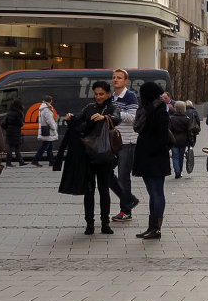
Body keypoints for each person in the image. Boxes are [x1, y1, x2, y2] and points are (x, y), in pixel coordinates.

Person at [60, 81, 119, 235]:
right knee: (89, 190)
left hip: (105, 155)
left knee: (104, 190)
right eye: (96, 94)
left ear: (107, 94)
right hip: (88, 155)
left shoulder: (112, 106)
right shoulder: (89, 107)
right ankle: (90, 224)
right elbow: (79, 121)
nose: (98, 97)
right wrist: (70, 118)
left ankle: (105, 223)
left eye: (101, 94)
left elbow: (116, 117)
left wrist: (104, 117)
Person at [132, 80, 170, 240]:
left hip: (155, 158)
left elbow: (162, 138)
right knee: (152, 193)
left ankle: (156, 228)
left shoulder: (160, 111)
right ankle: (151, 226)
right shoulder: (146, 111)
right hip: (146, 158)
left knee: (156, 193)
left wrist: (151, 151)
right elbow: (138, 127)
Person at [108, 69, 140, 223]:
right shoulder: (112, 97)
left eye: (119, 78)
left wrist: (115, 113)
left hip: (127, 141)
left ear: (125, 81)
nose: (115, 80)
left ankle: (125, 211)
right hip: (113, 141)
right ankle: (130, 200)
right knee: (106, 173)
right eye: (114, 77)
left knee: (123, 177)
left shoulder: (130, 96)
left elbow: (133, 118)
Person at [29, 95, 58, 167]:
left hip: (46, 129)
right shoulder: (46, 109)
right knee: (45, 146)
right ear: (50, 101)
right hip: (48, 130)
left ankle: (51, 161)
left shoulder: (42, 108)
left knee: (49, 146)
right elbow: (49, 120)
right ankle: (35, 160)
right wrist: (54, 127)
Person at [168, 102, 193, 178]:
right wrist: (191, 141)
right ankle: (180, 171)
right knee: (181, 156)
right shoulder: (186, 119)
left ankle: (177, 172)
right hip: (183, 140)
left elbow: (169, 130)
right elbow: (189, 131)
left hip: (174, 139)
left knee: (175, 156)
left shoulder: (171, 118)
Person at [1, 100, 24, 166]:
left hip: (10, 132)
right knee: (17, 147)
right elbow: (20, 123)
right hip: (16, 132)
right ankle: (20, 162)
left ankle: (9, 162)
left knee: (11, 148)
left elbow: (3, 124)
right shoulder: (18, 113)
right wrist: (21, 123)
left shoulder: (9, 113)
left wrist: (8, 128)